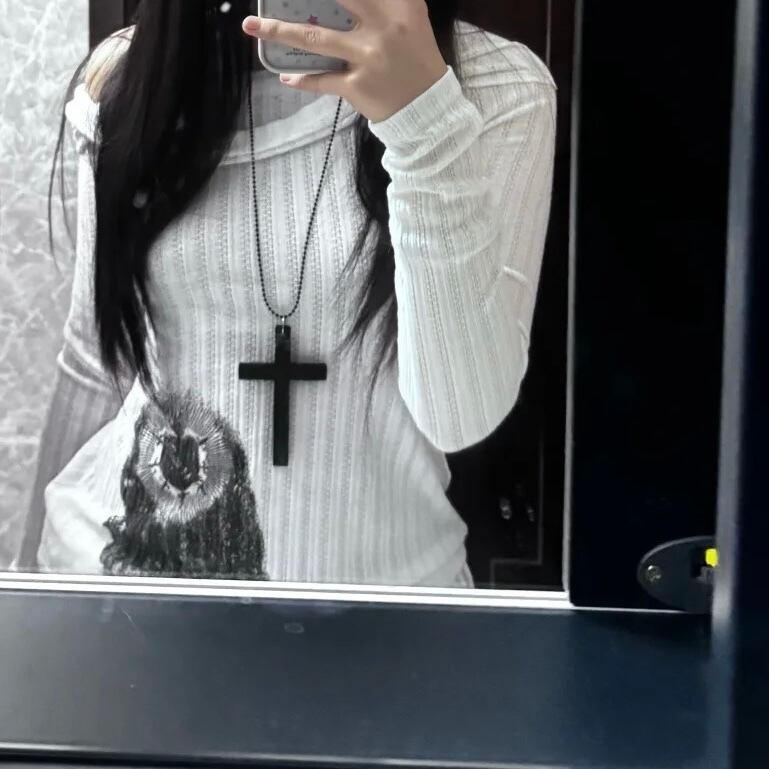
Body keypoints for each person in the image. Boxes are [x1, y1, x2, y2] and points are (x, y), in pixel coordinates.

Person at [15, 0, 556, 587]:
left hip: (389, 608)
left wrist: (422, 121)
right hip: (121, 585)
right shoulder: (131, 77)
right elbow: (96, 363)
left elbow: (460, 417)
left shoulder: (496, 87)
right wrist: (24, 591)